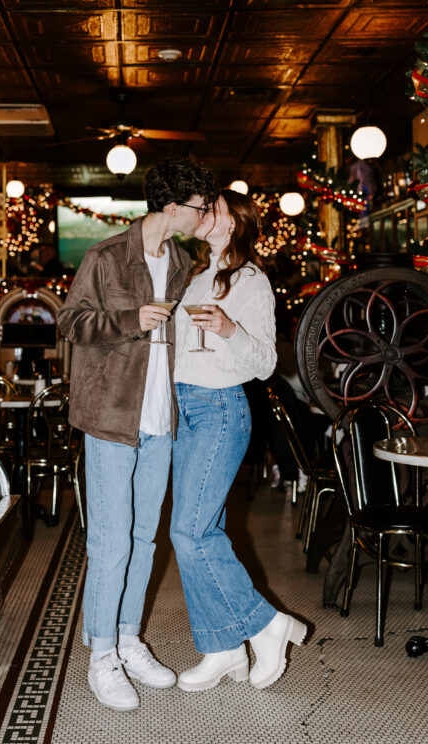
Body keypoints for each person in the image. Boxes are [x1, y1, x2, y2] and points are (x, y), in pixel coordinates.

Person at [56, 157, 217, 712]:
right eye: (199, 207)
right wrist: (130, 321)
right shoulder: (105, 257)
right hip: (110, 418)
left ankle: (127, 639)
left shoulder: (182, 262)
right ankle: (102, 655)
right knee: (108, 542)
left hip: (160, 420)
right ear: (171, 206)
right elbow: (71, 323)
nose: (204, 216)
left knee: (143, 538)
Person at [171, 188, 307, 692]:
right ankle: (222, 647)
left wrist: (229, 327)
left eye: (214, 209)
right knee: (202, 531)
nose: (203, 215)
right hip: (183, 410)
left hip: (220, 409)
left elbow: (267, 363)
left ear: (235, 223)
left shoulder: (250, 280)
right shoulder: (193, 274)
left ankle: (267, 625)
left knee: (189, 532)